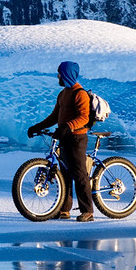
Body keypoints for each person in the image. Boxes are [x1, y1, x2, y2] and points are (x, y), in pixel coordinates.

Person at [27, 61, 94, 222]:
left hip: (77, 138)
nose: (58, 76)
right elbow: (54, 116)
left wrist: (67, 127)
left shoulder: (80, 94)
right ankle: (64, 210)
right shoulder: (63, 94)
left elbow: (84, 117)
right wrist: (37, 127)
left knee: (79, 174)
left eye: (60, 73)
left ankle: (88, 211)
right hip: (65, 137)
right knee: (64, 175)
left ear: (68, 74)